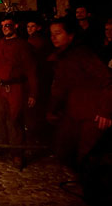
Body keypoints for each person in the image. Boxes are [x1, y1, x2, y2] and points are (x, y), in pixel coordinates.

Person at [47, 17, 112, 168]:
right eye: (51, 34)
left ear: (70, 35)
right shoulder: (61, 57)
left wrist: (105, 111)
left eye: (58, 33)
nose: (53, 37)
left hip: (92, 115)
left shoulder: (83, 55)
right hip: (73, 113)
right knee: (64, 152)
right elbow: (60, 88)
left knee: (87, 158)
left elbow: (108, 80)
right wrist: (52, 109)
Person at [0, 14, 37, 170]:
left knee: (15, 119)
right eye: (3, 26)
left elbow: (31, 70)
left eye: (8, 25)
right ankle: (1, 145)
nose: (5, 28)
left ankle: (17, 153)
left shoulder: (23, 45)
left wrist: (33, 93)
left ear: (15, 26)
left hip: (15, 87)